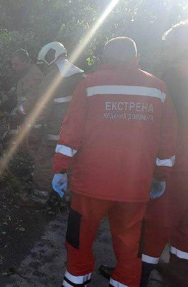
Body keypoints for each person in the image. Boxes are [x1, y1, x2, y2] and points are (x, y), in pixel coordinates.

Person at [52, 37, 177, 287]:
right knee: (131, 246)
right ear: (137, 58)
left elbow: (71, 131)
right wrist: (161, 174)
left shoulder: (89, 84)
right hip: (135, 186)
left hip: (90, 185)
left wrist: (60, 169)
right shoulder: (159, 88)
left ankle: (76, 281)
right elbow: (167, 136)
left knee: (79, 239)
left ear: (105, 60)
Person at [100, 21, 188, 287]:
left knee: (153, 225)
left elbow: (160, 124)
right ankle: (177, 279)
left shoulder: (173, 76)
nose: (167, 51)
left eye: (170, 45)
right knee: (184, 231)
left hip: (177, 165)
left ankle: (136, 275)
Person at [21, 42, 83, 207]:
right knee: (70, 161)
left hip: (56, 129)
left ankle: (39, 197)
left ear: (50, 57)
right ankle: (66, 196)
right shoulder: (80, 74)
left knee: (44, 161)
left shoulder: (52, 77)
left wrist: (34, 129)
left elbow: (44, 106)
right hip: (77, 131)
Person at [8, 48, 43, 135]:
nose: (13, 67)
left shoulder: (33, 75)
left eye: (16, 64)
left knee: (30, 144)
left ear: (24, 61)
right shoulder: (26, 72)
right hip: (27, 116)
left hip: (34, 119)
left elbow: (31, 99)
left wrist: (17, 112)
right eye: (12, 64)